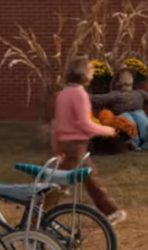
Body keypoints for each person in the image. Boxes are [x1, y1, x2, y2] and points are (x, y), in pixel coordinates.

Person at [49, 59, 126, 224]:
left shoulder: (63, 94)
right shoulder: (80, 94)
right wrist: (108, 130)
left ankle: (111, 212)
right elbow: (85, 123)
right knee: (59, 184)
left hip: (68, 145)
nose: (92, 74)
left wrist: (56, 147)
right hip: (75, 146)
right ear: (84, 74)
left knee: (89, 179)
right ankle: (38, 215)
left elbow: (56, 124)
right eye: (90, 70)